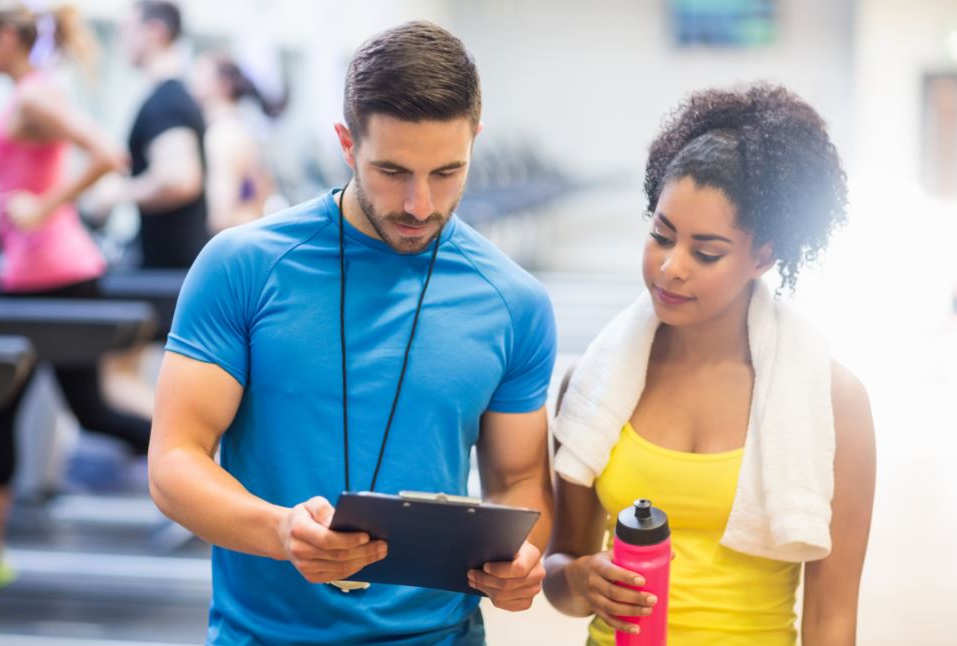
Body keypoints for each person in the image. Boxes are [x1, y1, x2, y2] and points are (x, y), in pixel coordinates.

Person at [149, 21, 556, 645]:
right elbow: (175, 461)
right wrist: (279, 530)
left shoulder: (514, 301)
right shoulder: (243, 267)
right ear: (346, 144)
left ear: (474, 140)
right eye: (392, 171)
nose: (420, 205)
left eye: (447, 172)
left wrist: (520, 559)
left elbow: (520, 479)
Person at [543, 84, 876, 645]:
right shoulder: (593, 382)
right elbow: (561, 571)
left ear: (763, 255)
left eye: (706, 252)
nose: (671, 267)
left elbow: (832, 618)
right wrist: (579, 581)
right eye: (661, 236)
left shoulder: (832, 401)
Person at [0, 1, 152, 603]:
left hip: (55, 277)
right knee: (9, 410)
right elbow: (11, 177)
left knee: (87, 412)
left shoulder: (33, 98)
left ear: (6, 37)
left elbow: (109, 153)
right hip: (31, 278)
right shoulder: (25, 97)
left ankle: (213, 463)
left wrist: (47, 207)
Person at [91, 0, 209, 269]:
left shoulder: (167, 101)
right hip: (170, 263)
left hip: (172, 269)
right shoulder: (170, 97)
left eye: (126, 31)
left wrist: (116, 193)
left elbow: (179, 180)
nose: (120, 42)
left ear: (155, 32)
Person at [189, 51, 287, 233]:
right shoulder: (241, 129)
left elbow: (221, 217)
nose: (192, 83)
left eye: (200, 75)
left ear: (223, 84)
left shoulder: (223, 134)